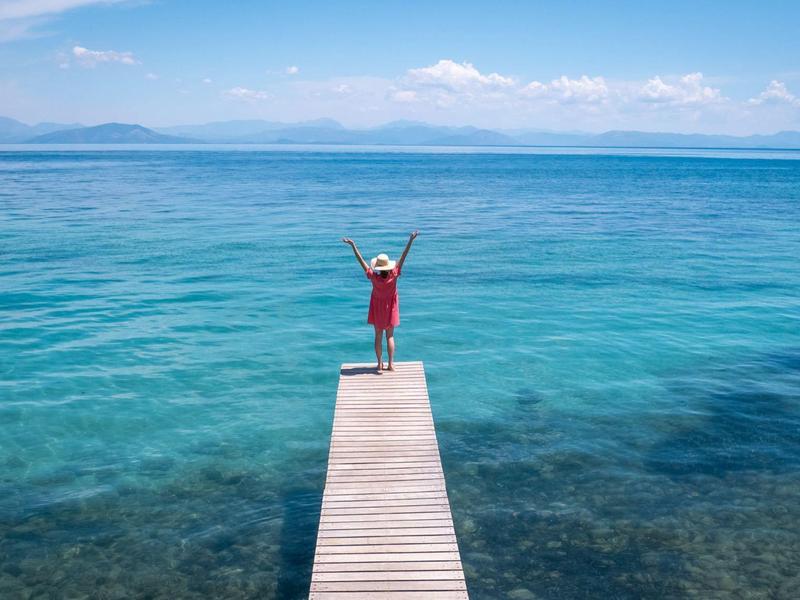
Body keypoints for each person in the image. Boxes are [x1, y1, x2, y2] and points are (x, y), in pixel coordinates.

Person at [342, 231, 418, 373]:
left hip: (377, 308)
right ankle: (391, 364)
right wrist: (410, 240)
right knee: (390, 336)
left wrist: (353, 246)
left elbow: (361, 262)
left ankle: (379, 365)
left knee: (378, 336)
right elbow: (403, 256)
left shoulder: (373, 277)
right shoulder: (394, 275)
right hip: (391, 308)